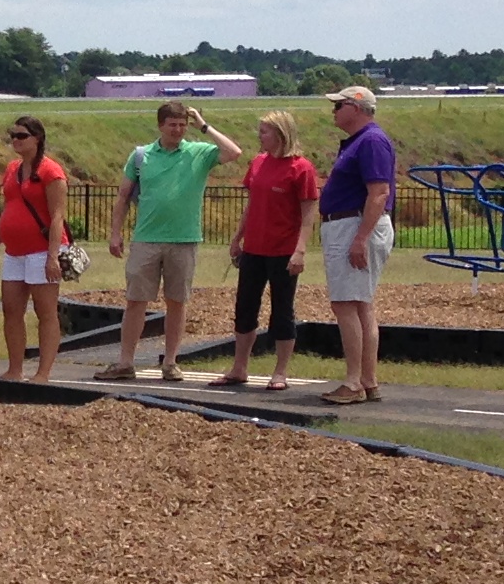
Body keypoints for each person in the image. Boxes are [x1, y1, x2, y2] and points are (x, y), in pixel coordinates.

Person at [99, 101, 244, 382]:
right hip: (147, 238)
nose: (178, 130)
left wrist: (204, 125)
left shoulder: (198, 152)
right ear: (160, 125)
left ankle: (170, 362)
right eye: (172, 124)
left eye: (182, 125)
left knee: (177, 302)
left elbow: (234, 152)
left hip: (184, 238)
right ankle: (125, 362)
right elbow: (123, 196)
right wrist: (115, 233)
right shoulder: (141, 156)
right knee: (136, 301)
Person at [217, 110, 320, 392]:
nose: (259, 136)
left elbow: (309, 211)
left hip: (283, 250)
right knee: (245, 307)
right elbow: (251, 204)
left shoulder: (301, 168)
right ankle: (239, 368)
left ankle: (280, 371)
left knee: (282, 311)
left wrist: (300, 251)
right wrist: (238, 237)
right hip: (254, 248)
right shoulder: (259, 163)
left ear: (280, 135)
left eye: (264, 131)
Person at [317, 85, 396, 404]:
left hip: (353, 224)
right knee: (360, 303)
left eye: (339, 105)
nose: (334, 110)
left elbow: (379, 192)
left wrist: (361, 237)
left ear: (357, 107)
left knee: (346, 303)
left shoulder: (371, 141)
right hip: (350, 224)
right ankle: (367, 379)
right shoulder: (363, 141)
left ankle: (354, 382)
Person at [0, 113, 70, 383]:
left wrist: (53, 256)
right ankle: (15, 369)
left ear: (37, 138)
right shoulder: (12, 169)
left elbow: (57, 216)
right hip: (14, 251)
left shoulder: (50, 171)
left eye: (22, 135)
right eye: (13, 135)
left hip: (41, 250)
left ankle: (43, 373)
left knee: (45, 311)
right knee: (11, 309)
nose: (16, 140)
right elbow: (9, 209)